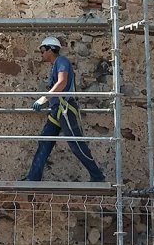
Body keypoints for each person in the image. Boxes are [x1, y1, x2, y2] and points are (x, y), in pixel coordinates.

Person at [23, 36, 106, 182]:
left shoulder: (62, 61)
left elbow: (62, 82)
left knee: (76, 144)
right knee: (45, 142)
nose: (41, 53)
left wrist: (44, 98)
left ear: (51, 49)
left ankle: (97, 176)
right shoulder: (55, 64)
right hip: (57, 110)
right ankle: (33, 177)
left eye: (43, 50)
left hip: (65, 108)